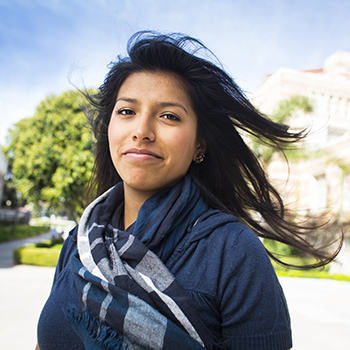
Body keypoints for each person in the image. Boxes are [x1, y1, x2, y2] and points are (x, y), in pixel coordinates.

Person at [36, 32, 340, 350]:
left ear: (199, 145)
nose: (141, 131)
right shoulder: (81, 240)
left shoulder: (234, 252)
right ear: (109, 128)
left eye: (169, 116)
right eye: (127, 111)